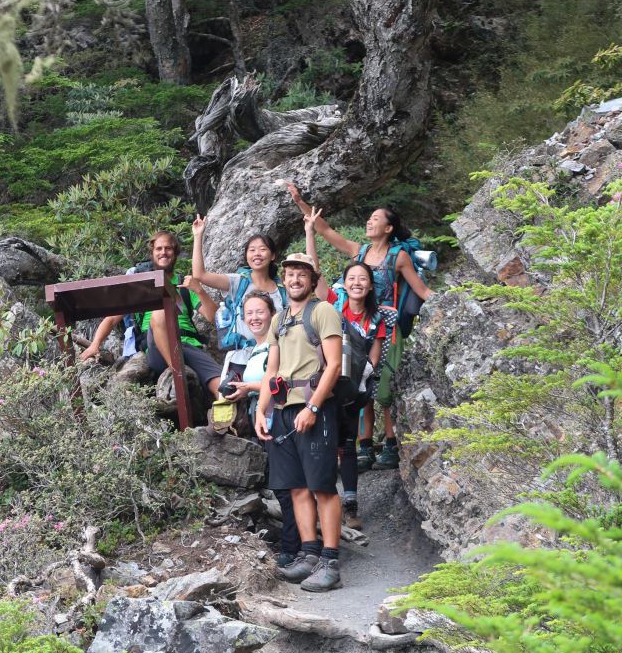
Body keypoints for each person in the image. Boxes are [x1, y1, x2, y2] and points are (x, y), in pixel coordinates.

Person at [287, 183, 431, 470]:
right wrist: (302, 204)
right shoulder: (359, 251)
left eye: (376, 218)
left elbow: (422, 290)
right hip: (356, 325)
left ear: (389, 228)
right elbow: (324, 230)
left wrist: (452, 302)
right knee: (360, 384)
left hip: (386, 326)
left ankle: (390, 443)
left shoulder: (398, 256)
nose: (370, 221)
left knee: (386, 386)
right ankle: (365, 443)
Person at [254, 252, 343, 592]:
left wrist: (314, 407)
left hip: (314, 408)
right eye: (290, 273)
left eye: (301, 274)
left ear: (312, 278)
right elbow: (271, 371)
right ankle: (308, 554)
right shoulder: (279, 320)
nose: (295, 279)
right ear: (284, 279)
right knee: (296, 487)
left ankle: (330, 561)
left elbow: (333, 365)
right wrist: (262, 411)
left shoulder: (323, 311)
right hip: (283, 411)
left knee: (321, 486)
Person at [304, 209, 390, 529]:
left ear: (369, 287)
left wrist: (360, 389)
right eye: (351, 278)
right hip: (327, 384)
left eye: (362, 280)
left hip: (352, 391)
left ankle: (351, 503)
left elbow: (374, 359)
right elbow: (315, 273)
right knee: (326, 443)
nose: (356, 283)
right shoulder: (334, 305)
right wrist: (311, 232)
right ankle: (326, 501)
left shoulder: (376, 319)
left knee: (347, 445)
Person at [80, 230, 222, 399]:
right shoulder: (141, 286)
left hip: (187, 345)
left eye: (168, 248)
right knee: (161, 309)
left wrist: (198, 289)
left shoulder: (184, 285)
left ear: (175, 253)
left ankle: (223, 416)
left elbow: (214, 318)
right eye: (159, 248)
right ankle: (177, 371)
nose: (163, 252)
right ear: (152, 253)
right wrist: (95, 344)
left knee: (223, 386)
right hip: (156, 348)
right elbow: (111, 319)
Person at [219, 292, 301, 567]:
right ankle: (296, 543)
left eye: (260, 312)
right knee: (281, 486)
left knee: (286, 485)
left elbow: (280, 378)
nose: (254, 318)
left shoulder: (280, 344)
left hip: (281, 417)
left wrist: (249, 388)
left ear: (273, 313)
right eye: (249, 313)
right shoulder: (255, 349)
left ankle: (295, 547)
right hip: (263, 420)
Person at [191, 217, 286, 348]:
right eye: (252, 250)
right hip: (241, 357)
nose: (257, 254)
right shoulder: (237, 282)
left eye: (263, 249)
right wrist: (197, 236)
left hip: (276, 356)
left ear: (273, 256)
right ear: (246, 256)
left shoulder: (282, 290)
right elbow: (200, 274)